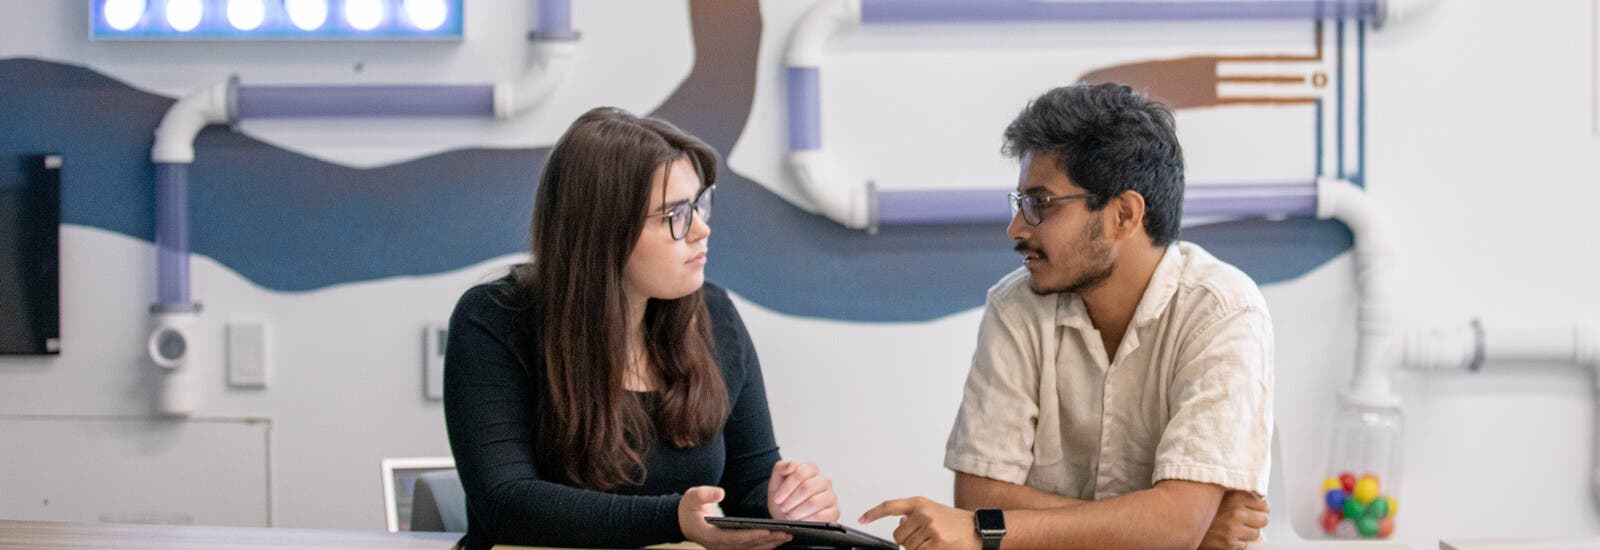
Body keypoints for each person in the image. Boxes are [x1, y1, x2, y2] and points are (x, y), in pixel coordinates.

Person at [862, 83, 1274, 550]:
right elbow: (978, 498)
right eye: (1020, 203)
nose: (1016, 228)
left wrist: (1171, 524)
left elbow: (1174, 526)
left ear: (1124, 215)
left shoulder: (1222, 310)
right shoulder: (1016, 306)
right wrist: (1158, 524)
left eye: (1040, 204)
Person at [444, 107, 838, 550]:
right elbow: (506, 503)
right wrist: (675, 519)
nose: (702, 230)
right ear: (602, 231)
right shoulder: (495, 319)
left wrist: (787, 507)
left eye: (699, 205)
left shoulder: (715, 316)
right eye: (675, 215)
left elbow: (749, 483)